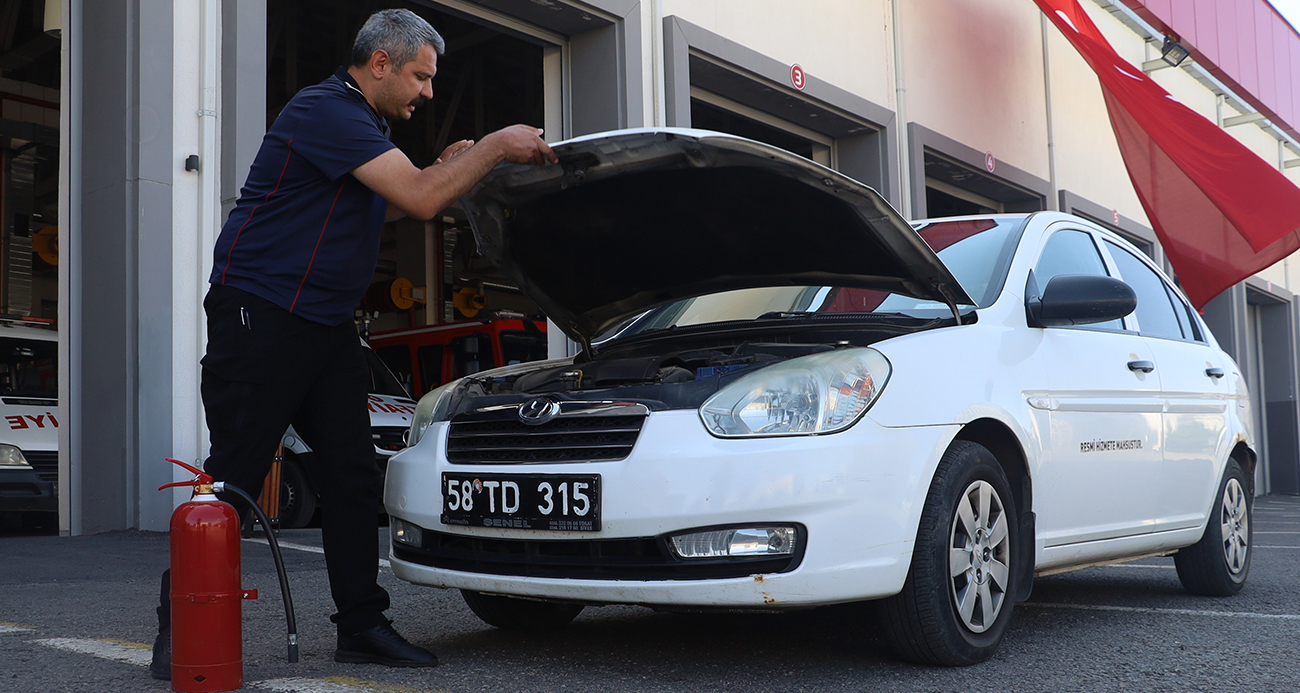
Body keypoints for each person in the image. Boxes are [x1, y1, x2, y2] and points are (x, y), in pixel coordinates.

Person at [151, 8, 557, 679]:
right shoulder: (327, 110)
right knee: (236, 478)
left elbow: (393, 200)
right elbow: (422, 200)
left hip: (326, 323)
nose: (428, 92)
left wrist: (438, 168)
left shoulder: (365, 127)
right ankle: (182, 622)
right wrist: (492, 146)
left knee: (352, 474)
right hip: (263, 313)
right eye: (421, 77)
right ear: (380, 63)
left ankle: (362, 625)